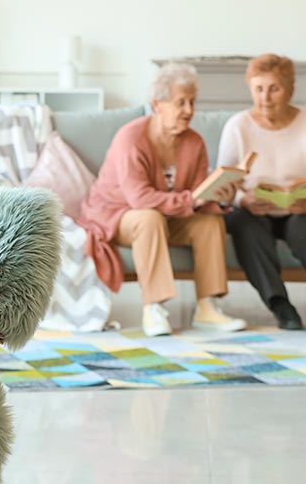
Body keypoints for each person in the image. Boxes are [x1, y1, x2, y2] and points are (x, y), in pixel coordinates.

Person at [77, 63, 246, 337]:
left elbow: (197, 197)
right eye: (181, 103)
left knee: (209, 223)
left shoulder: (195, 142)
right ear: (157, 104)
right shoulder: (131, 138)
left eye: (192, 102)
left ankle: (207, 306)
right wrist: (193, 199)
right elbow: (139, 198)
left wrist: (221, 198)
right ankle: (153, 307)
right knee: (148, 217)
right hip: (119, 214)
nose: (189, 111)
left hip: (168, 216)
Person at [218, 54, 306, 330]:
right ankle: (281, 305)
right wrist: (243, 199)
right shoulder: (237, 126)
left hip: (298, 210)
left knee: (302, 229)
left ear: (290, 90)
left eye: (274, 89)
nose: (265, 97)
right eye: (258, 89)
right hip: (253, 210)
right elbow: (222, 183)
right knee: (246, 225)